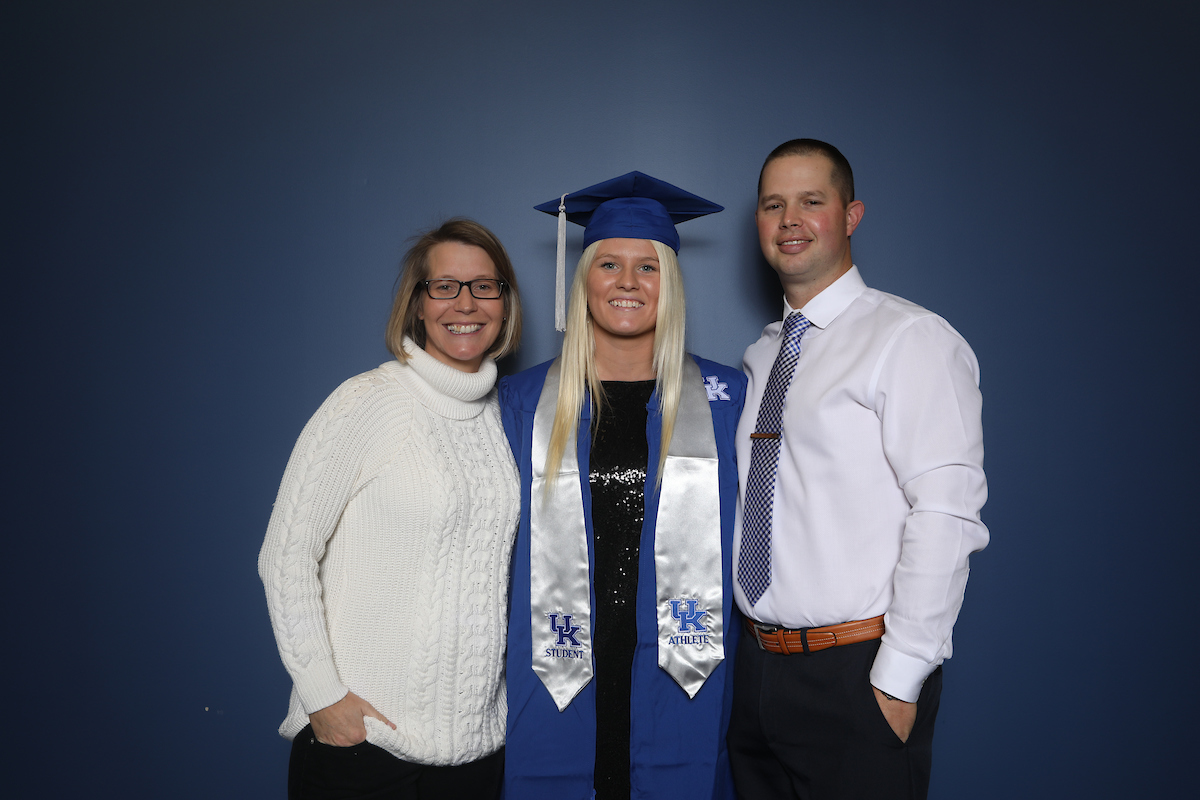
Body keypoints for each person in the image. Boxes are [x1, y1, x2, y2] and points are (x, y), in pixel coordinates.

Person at [727, 140, 989, 800]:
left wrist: (898, 680)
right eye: (773, 205)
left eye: (812, 202)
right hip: (757, 673)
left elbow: (947, 512)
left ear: (851, 215)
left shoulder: (910, 339)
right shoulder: (760, 356)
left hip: (856, 675)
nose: (790, 219)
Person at [258, 218, 523, 800]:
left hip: (476, 752)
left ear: (505, 304)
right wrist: (323, 697)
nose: (465, 303)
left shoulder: (507, 419)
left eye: (485, 286)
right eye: (444, 286)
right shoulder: (368, 402)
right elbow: (286, 556)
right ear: (418, 304)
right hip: (364, 748)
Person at [500, 172, 745, 799]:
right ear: (582, 280)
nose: (629, 283)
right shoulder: (522, 402)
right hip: (558, 662)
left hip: (682, 661)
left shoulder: (727, 398)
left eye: (649, 267)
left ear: (671, 284)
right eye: (609, 264)